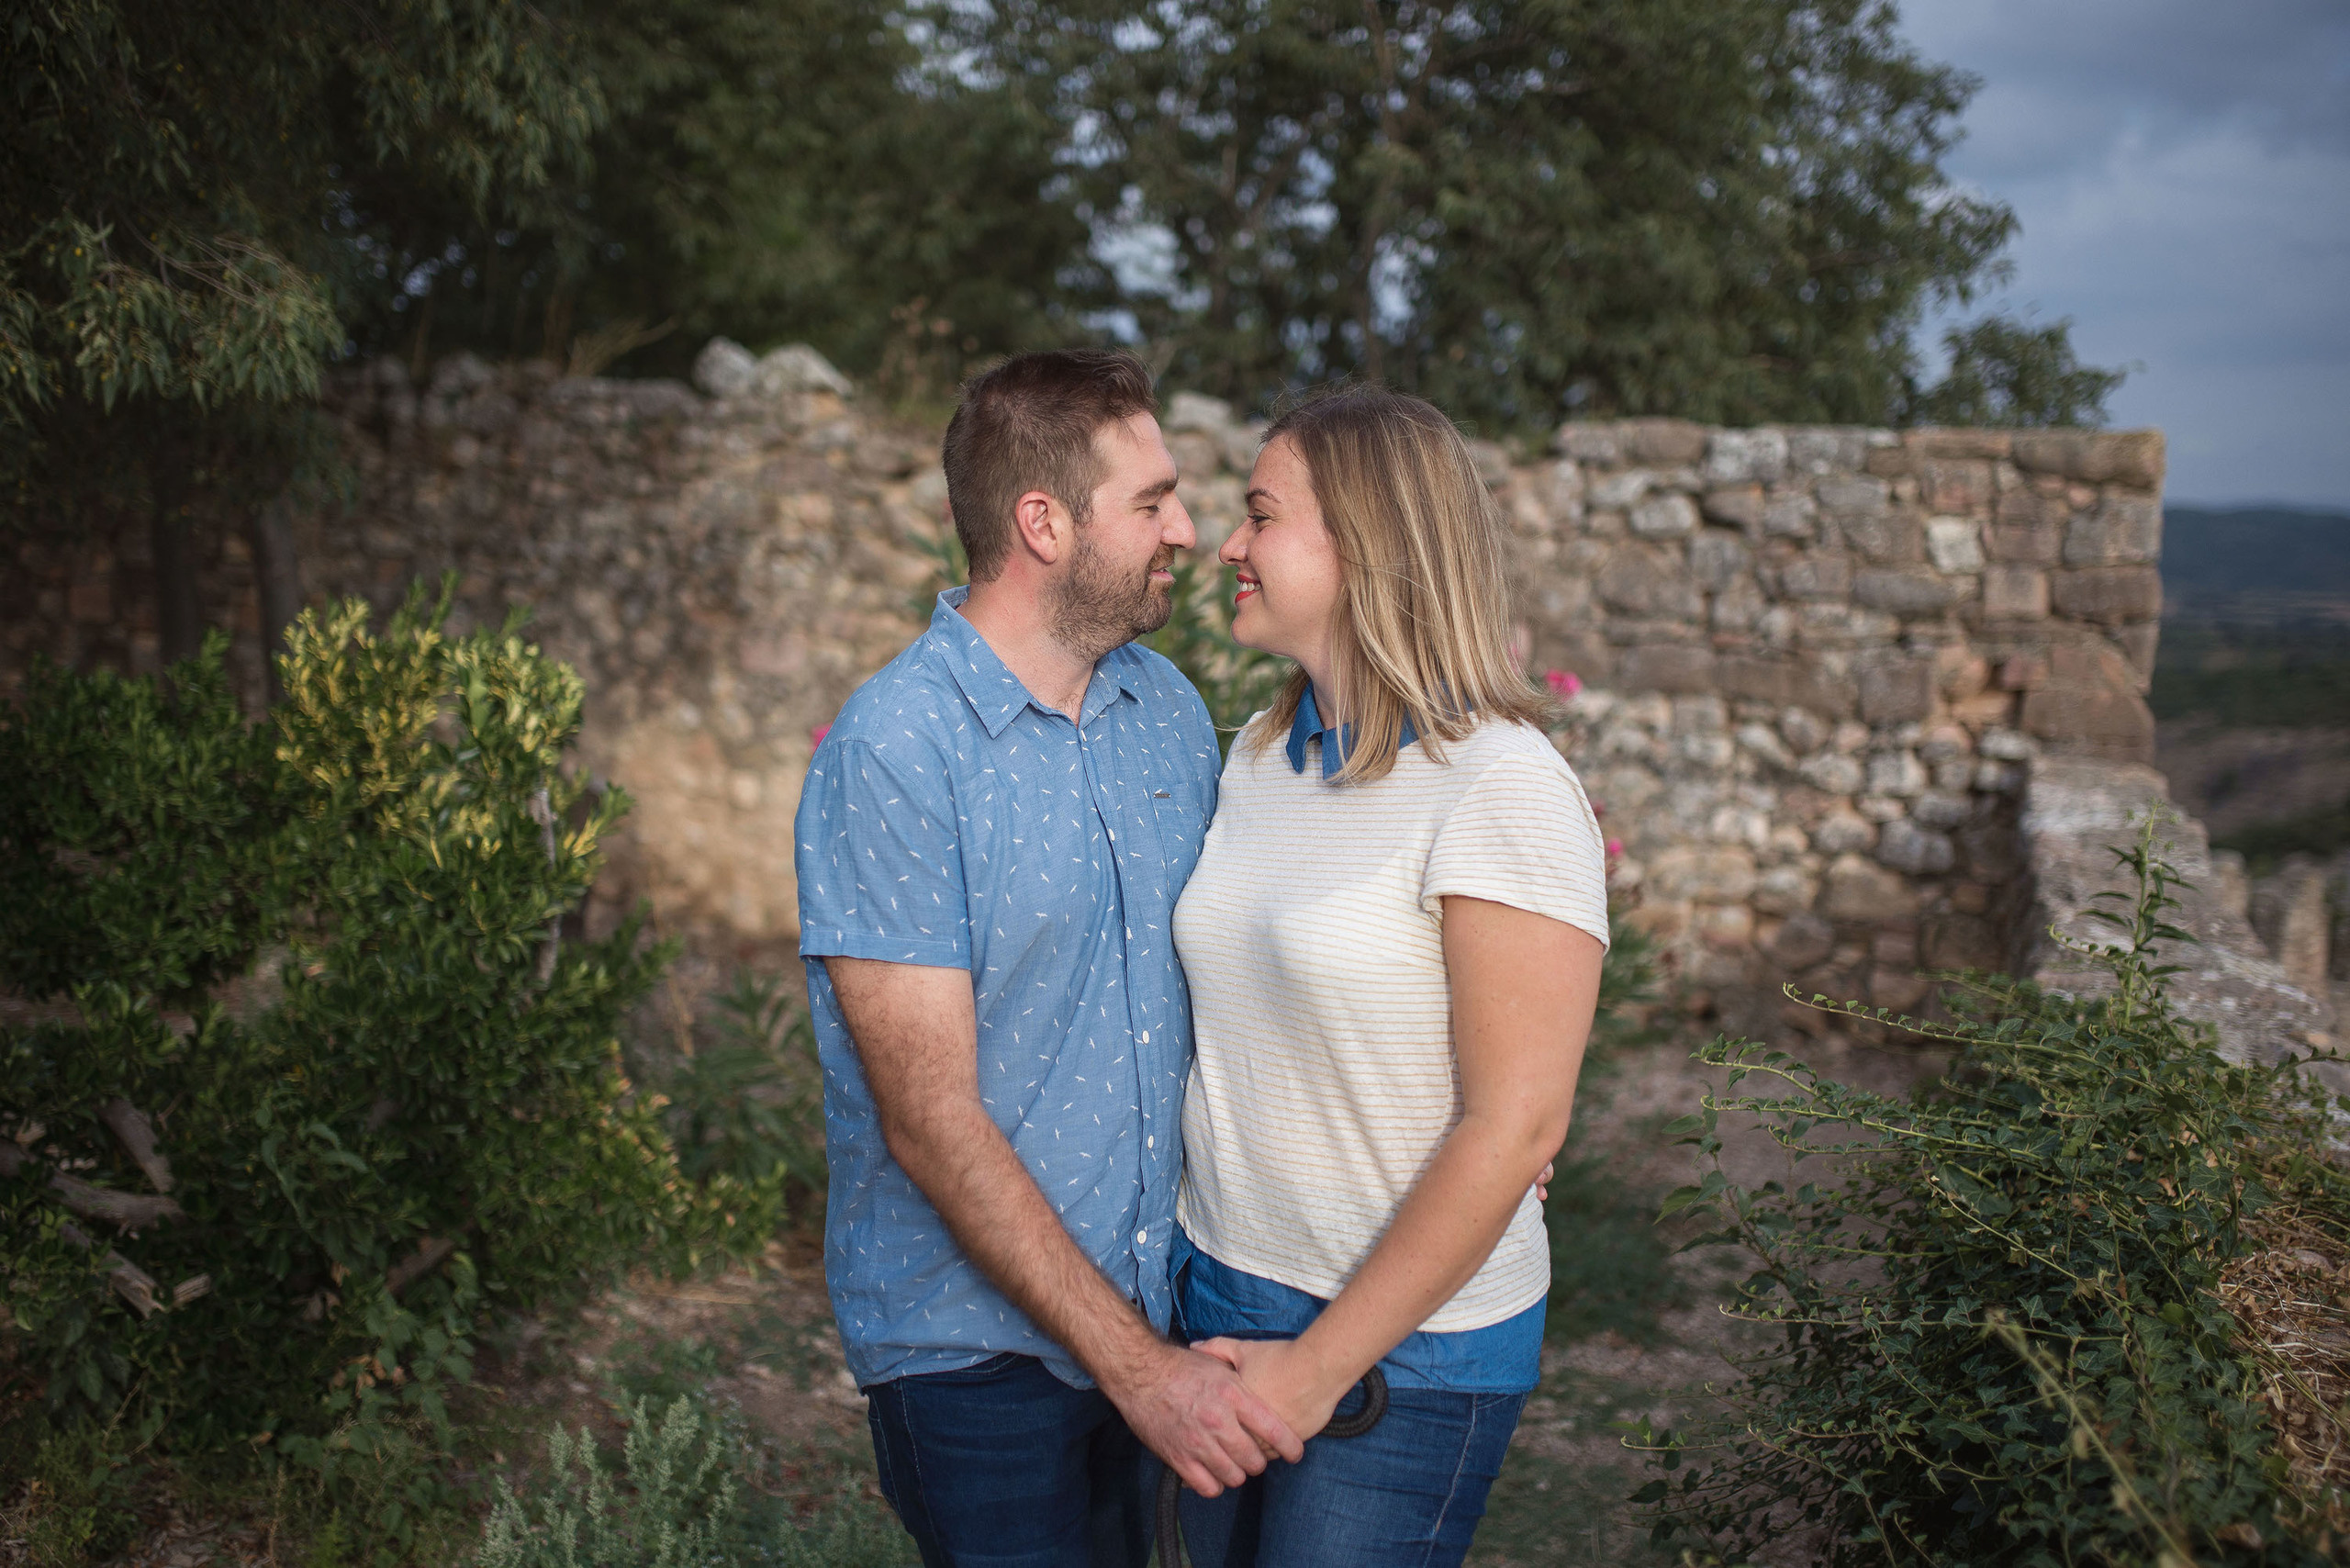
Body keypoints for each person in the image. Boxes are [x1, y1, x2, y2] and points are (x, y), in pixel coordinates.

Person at [793, 348, 1302, 1568]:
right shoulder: (897, 753)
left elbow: (1263, 958)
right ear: (1043, 523)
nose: (1188, 529)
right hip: (975, 1362)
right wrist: (1142, 1378)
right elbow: (929, 1122)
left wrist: (1484, 1111)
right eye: (1151, 501)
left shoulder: (1168, 710)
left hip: (1159, 1313)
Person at [1169, 386, 1610, 1566]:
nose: (1228, 545)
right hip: (1212, 1298)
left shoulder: (1502, 786)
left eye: (1260, 515)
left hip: (1404, 1355)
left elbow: (1517, 1125)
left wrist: (1314, 1372)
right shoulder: (1260, 756)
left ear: (1363, 544)